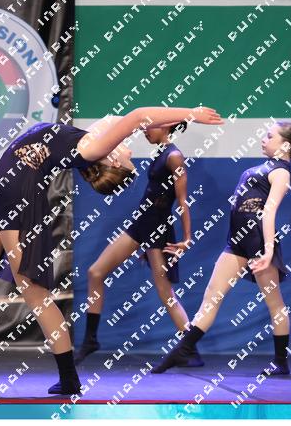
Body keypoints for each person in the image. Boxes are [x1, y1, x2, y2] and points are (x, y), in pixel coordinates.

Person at [0, 105, 223, 395]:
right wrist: (173, 119)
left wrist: (191, 114)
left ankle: (68, 377)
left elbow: (137, 117)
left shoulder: (91, 149)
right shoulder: (89, 139)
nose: (129, 151)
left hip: (19, 201)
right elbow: (118, 119)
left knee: (35, 294)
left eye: (127, 160)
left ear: (110, 160)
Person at [151, 121, 291, 376]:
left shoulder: (281, 172)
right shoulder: (266, 167)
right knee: (211, 296)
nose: (263, 139)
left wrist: (268, 251)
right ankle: (185, 349)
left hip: (258, 241)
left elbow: (269, 212)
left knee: (274, 302)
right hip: (237, 240)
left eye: (269, 136)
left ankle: (280, 362)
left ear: (284, 145)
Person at [75, 121, 201, 367]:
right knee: (96, 273)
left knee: (165, 292)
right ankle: (90, 340)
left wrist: (187, 238)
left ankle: (189, 349)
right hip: (143, 224)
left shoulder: (174, 156)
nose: (144, 130)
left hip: (155, 227)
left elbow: (183, 200)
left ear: (167, 127)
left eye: (150, 127)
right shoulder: (162, 153)